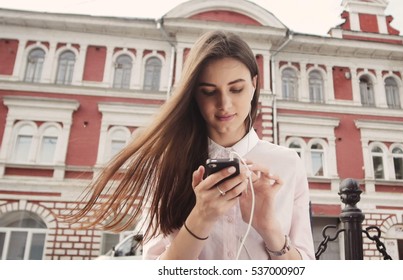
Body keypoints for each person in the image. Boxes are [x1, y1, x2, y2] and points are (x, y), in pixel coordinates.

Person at [71, 30, 315, 260]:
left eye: (237, 89)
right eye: (209, 92)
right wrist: (202, 216)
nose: (225, 104)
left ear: (254, 85)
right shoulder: (167, 165)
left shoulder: (288, 164)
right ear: (194, 95)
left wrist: (269, 227)